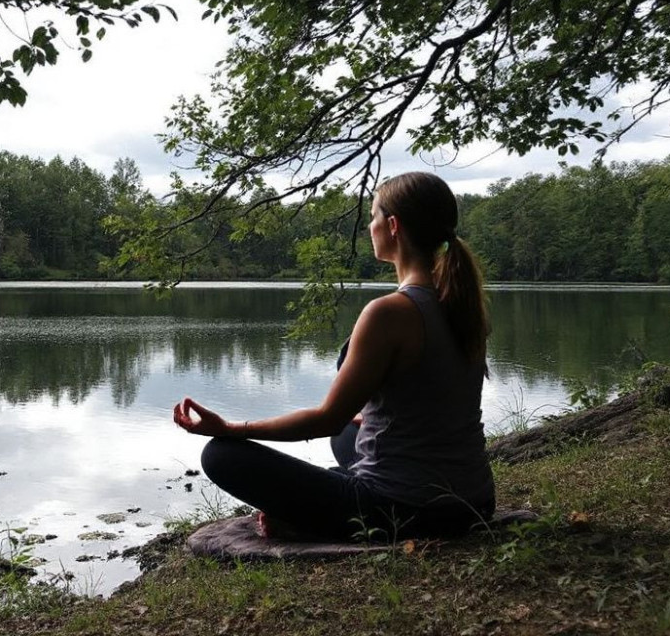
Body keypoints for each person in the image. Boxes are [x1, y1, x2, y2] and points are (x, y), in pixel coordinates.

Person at [173, 172, 495, 540]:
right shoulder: (462, 304)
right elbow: (434, 400)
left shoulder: (389, 312)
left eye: (373, 217)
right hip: (475, 502)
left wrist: (230, 429)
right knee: (347, 432)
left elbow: (324, 419)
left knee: (220, 455)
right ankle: (315, 503)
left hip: (408, 512)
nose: (369, 226)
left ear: (392, 226)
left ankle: (304, 518)